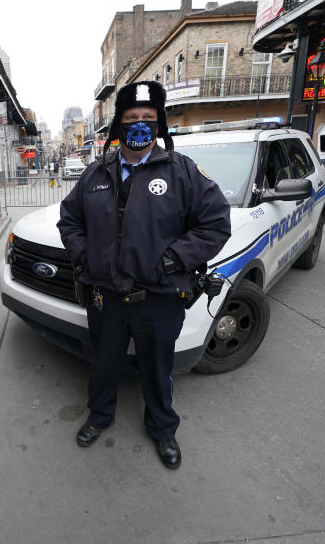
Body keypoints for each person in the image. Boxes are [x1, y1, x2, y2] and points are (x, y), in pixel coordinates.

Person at [57, 81, 231, 469]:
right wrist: (87, 256)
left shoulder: (183, 172)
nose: (139, 125)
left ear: (160, 124)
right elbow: (70, 220)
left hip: (160, 298)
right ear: (118, 125)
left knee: (157, 368)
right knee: (103, 363)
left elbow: (215, 224)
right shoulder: (95, 174)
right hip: (106, 297)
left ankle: (163, 429)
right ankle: (99, 416)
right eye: (131, 118)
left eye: (148, 119)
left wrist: (173, 260)